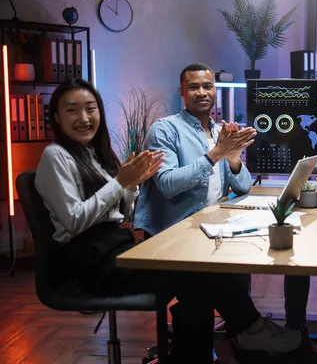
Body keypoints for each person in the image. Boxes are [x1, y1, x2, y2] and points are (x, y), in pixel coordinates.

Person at [35, 78, 302, 363]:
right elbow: (75, 221)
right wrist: (120, 183)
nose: (84, 118)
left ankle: (208, 348)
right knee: (198, 271)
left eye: (91, 109)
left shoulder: (94, 155)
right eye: (72, 110)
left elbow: (119, 215)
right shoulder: (55, 156)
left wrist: (130, 186)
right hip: (89, 262)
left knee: (198, 277)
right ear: (56, 117)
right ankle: (249, 328)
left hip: (114, 247)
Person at [135, 63, 256, 237]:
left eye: (207, 86)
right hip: (172, 233)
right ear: (182, 92)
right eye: (193, 87)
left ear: (214, 90)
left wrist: (234, 158)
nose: (201, 93)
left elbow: (244, 188)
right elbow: (168, 185)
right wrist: (216, 154)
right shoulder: (164, 129)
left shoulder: (218, 133)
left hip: (213, 226)